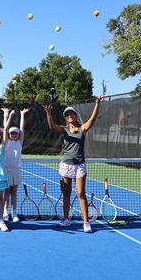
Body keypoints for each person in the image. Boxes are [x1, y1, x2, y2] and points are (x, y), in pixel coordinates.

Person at [43, 95, 104, 233]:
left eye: (72, 114)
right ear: (66, 117)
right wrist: (48, 113)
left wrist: (97, 103)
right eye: (67, 114)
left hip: (80, 166)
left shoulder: (83, 128)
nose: (70, 116)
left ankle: (86, 222)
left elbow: (92, 119)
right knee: (66, 192)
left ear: (76, 116)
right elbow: (52, 126)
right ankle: (65, 219)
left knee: (81, 193)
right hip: (66, 165)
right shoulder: (64, 130)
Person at [3, 107, 30, 222]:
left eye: (16, 133)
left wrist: (22, 114)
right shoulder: (6, 142)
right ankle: (5, 212)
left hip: (17, 170)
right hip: (6, 169)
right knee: (7, 191)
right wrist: (7, 115)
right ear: (9, 135)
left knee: (14, 191)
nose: (14, 135)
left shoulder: (19, 142)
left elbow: (22, 128)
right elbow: (5, 128)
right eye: (12, 133)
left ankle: (14, 213)